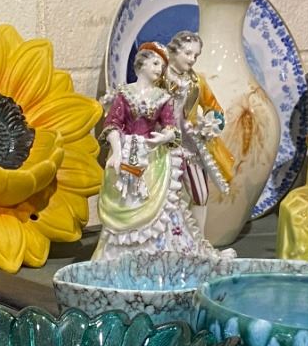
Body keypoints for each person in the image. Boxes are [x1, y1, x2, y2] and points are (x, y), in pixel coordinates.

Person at [96, 43, 220, 260]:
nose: (159, 69)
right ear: (141, 64)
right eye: (154, 63)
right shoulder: (124, 93)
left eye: (161, 66)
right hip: (127, 154)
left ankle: (158, 251)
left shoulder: (163, 97)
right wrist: (116, 150)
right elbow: (113, 123)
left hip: (153, 157)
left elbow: (171, 126)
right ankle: (120, 255)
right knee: (125, 199)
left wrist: (165, 137)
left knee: (159, 203)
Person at [163, 30, 234, 210]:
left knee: (200, 195)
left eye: (196, 55)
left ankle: (196, 228)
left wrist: (210, 125)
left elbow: (214, 107)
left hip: (189, 145)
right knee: (166, 196)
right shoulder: (160, 78)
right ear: (174, 51)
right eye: (188, 53)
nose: (192, 59)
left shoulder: (196, 82)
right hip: (163, 145)